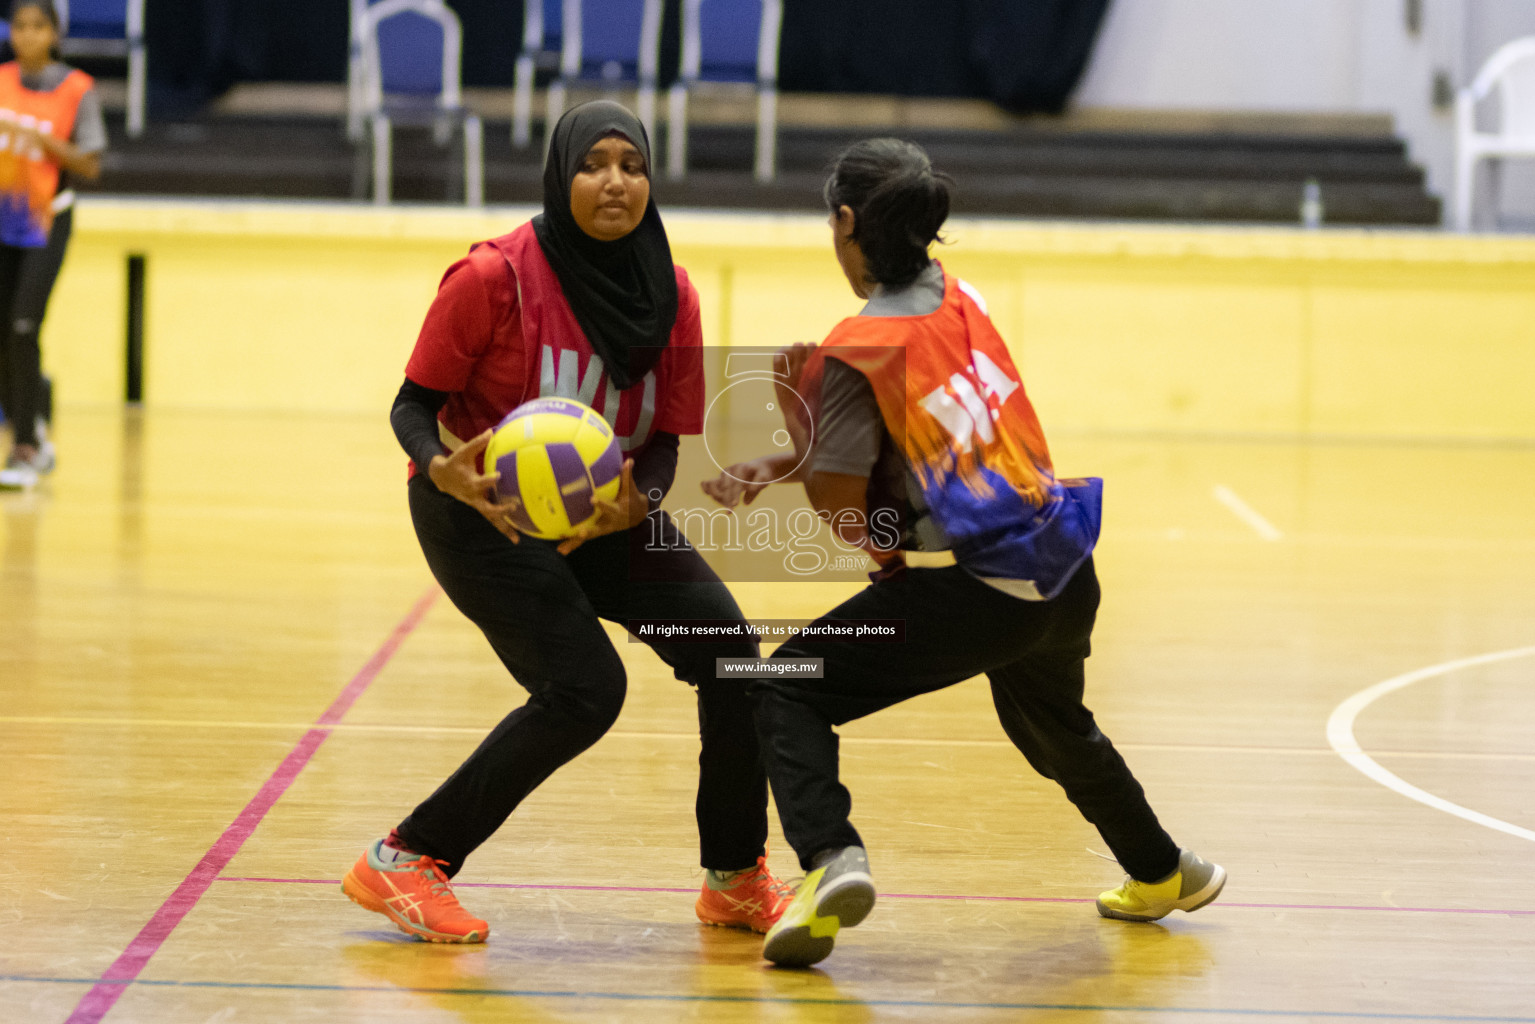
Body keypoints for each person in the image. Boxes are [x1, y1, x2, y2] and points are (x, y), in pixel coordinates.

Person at [702, 138, 1226, 968]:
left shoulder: (852, 348)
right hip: (1062, 559)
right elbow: (926, 446)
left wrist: (800, 432)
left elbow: (848, 522)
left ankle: (830, 862)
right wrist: (802, 451)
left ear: (845, 223)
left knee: (784, 687)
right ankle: (1161, 871)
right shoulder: (961, 294)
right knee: (1053, 725)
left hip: (978, 590)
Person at [341, 101, 790, 945]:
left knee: (733, 657)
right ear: (560, 175)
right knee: (585, 690)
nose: (614, 181)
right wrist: (440, 466)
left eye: (631, 163)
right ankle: (408, 859)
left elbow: (664, 443)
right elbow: (413, 404)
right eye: (593, 164)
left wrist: (640, 503)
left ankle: (734, 877)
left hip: (600, 516)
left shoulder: (672, 293)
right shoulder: (492, 278)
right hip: (479, 515)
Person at [0, 0, 104, 490]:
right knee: (4, 335)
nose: (26, 35)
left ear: (55, 35)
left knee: (23, 326)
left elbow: (90, 164)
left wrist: (33, 139)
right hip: (3, 221)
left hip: (47, 221)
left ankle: (26, 445)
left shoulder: (77, 89)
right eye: (19, 25)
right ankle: (34, 407)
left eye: (38, 26)